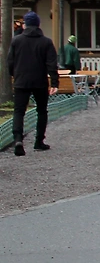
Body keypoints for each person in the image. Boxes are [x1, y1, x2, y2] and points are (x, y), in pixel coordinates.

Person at [7, 11, 59, 156]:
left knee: (19, 111)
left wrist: (14, 75)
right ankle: (39, 141)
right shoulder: (46, 42)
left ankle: (18, 139)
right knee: (42, 111)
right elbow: (52, 64)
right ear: (38, 24)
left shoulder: (16, 41)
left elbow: (10, 61)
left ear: (25, 25)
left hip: (21, 80)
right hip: (40, 81)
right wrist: (54, 82)